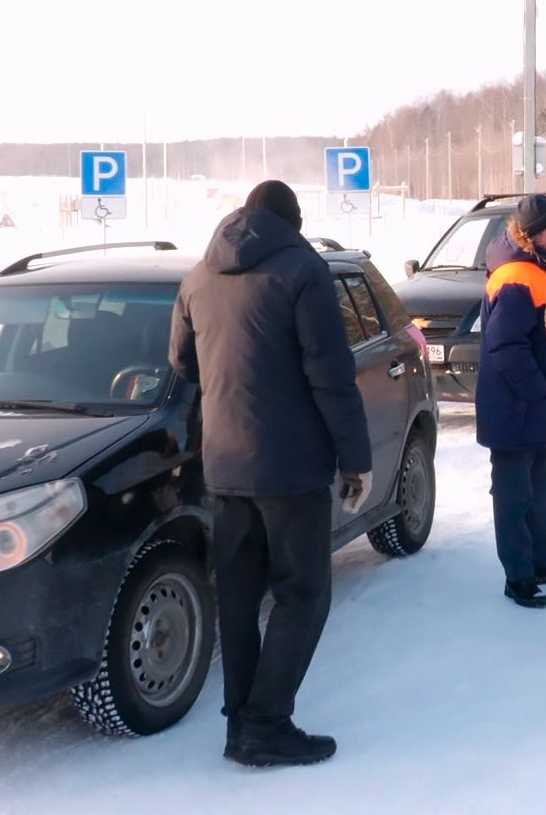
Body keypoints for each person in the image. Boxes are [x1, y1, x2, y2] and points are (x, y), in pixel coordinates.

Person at [169, 180, 371, 767]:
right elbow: (330, 375)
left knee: (237, 596)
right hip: (292, 468)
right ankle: (266, 723)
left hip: (226, 466)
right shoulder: (302, 271)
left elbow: (181, 362)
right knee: (303, 593)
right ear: (292, 221)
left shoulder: (198, 276)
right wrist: (354, 458)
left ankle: (240, 724)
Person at [476, 195, 546, 609]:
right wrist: (540, 390)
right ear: (532, 233)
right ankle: (519, 575)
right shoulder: (516, 276)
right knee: (514, 495)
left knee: (543, 486)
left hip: (536, 407)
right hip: (516, 408)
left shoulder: (537, 267)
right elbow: (505, 348)